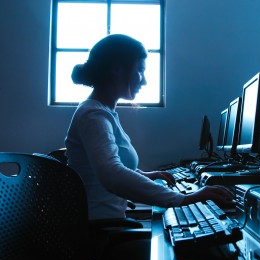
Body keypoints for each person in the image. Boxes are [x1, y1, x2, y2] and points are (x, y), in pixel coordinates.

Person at [65, 34, 234, 221]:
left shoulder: (103, 112)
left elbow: (107, 164)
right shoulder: (93, 116)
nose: (143, 81)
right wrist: (183, 199)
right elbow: (111, 174)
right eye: (140, 70)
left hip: (108, 223)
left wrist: (145, 175)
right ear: (117, 70)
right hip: (99, 230)